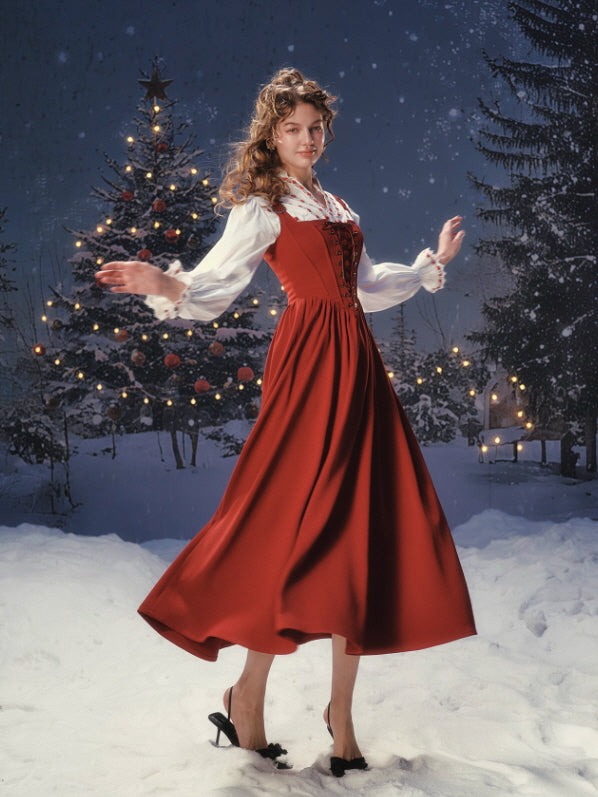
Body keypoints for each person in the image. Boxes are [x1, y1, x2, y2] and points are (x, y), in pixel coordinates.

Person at [96, 67, 476, 777]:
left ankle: (342, 720)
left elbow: (362, 289)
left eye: (315, 128)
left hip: (357, 369)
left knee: (358, 535)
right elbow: (216, 281)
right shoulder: (263, 206)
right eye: (293, 128)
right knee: (288, 530)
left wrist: (428, 268)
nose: (307, 138)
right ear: (271, 135)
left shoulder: (335, 203)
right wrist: (165, 285)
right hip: (308, 369)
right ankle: (247, 694)